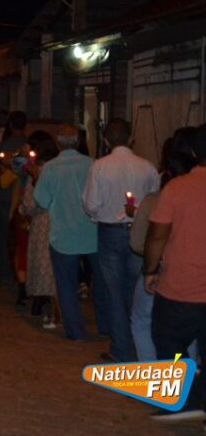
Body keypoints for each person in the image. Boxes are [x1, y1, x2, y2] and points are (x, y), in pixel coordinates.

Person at [82, 118, 159, 362]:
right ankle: (140, 345)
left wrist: (97, 216)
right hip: (140, 232)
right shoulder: (148, 167)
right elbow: (154, 202)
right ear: (131, 138)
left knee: (113, 292)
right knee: (134, 291)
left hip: (110, 232)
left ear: (106, 140)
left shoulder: (99, 167)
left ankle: (121, 349)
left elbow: (91, 204)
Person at [143, 123, 206, 423]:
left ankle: (182, 399)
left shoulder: (177, 188)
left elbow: (158, 235)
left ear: (193, 152)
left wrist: (150, 270)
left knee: (172, 344)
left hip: (180, 287)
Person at [35, 126, 108, 341]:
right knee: (101, 282)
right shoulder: (93, 164)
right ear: (78, 142)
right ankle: (105, 325)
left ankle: (75, 330)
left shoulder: (50, 168)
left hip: (64, 234)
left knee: (66, 284)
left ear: (58, 144)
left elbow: (41, 199)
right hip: (93, 232)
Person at [128, 145, 194, 361]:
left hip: (160, 270)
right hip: (192, 274)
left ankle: (151, 369)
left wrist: (151, 267)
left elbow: (139, 242)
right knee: (189, 329)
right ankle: (188, 371)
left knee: (142, 320)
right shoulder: (197, 199)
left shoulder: (154, 200)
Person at [20, 131, 59, 328]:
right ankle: (51, 310)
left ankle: (53, 312)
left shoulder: (39, 171)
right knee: (56, 269)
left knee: (45, 269)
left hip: (43, 223)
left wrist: (22, 209)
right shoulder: (60, 169)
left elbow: (31, 203)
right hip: (62, 222)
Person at [0, 110, 28, 286]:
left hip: (5, 196)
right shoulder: (29, 145)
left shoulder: (2, 148)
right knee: (23, 238)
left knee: (4, 236)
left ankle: (6, 273)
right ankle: (23, 274)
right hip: (24, 197)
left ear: (10, 125)